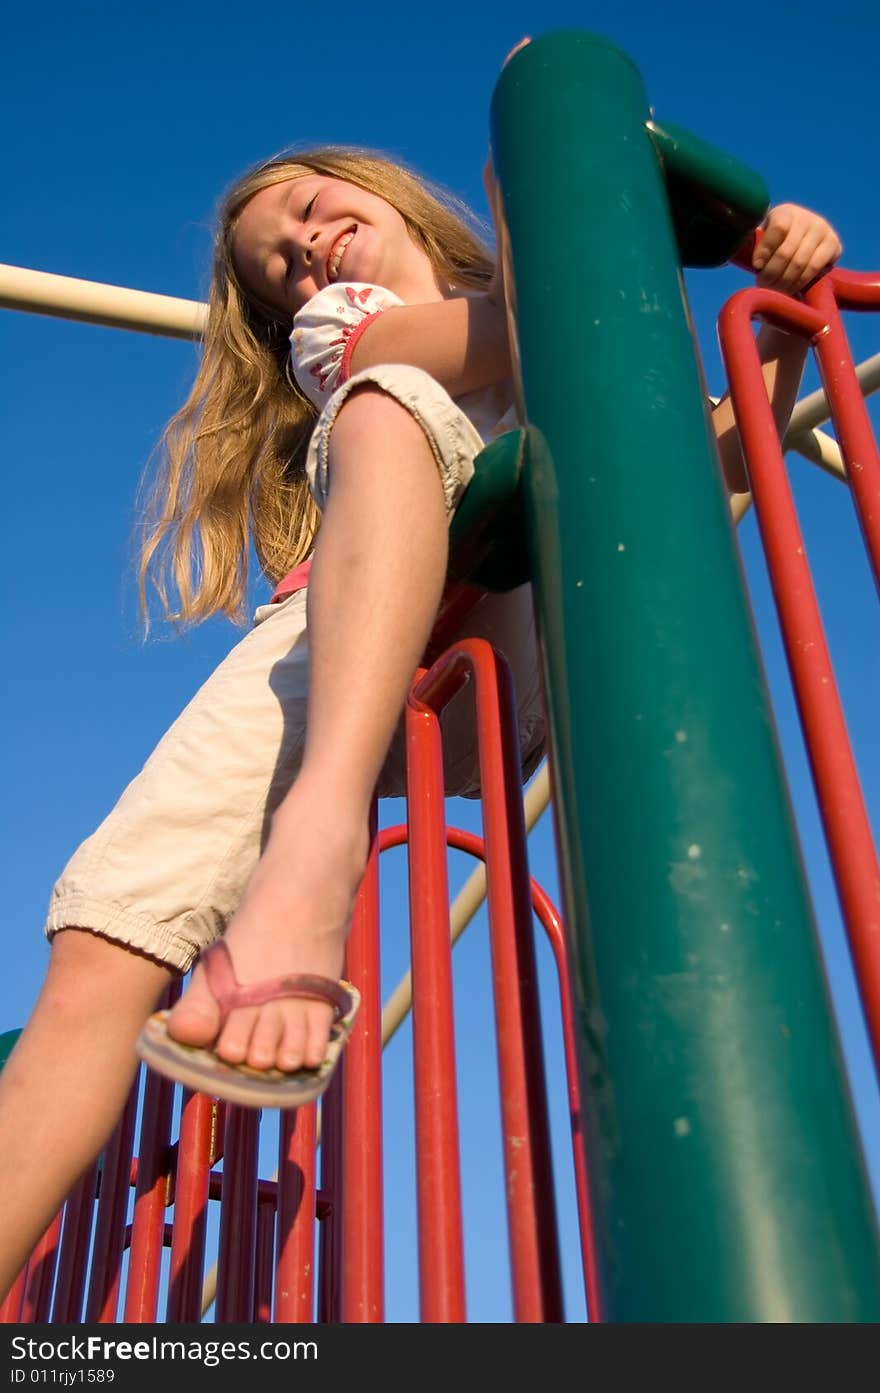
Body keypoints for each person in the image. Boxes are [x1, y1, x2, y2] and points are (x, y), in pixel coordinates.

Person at [0, 123, 841, 1297]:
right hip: (341, 644)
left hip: (510, 636)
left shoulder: (552, 309)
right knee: (101, 937)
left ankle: (318, 829)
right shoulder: (341, 336)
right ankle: (313, 841)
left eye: (309, 202)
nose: (305, 246)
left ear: (378, 185)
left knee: (481, 424)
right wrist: (587, 232)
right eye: (277, 262)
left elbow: (708, 495)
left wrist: (785, 303)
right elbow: (522, 332)